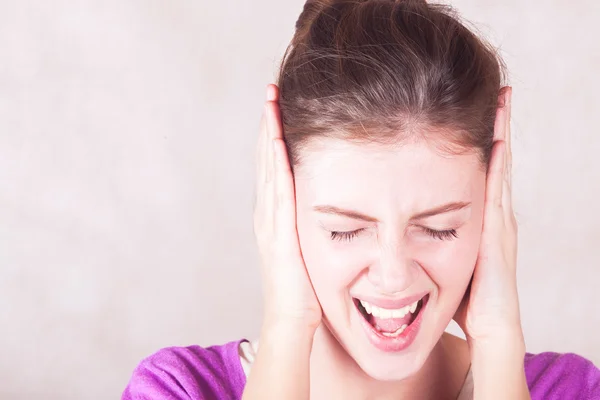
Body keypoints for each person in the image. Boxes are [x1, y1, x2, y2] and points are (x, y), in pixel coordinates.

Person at [122, 0, 600, 398]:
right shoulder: (178, 388)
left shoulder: (567, 389)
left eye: (440, 228)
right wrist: (287, 327)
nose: (394, 276)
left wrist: (497, 347)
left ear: (493, 208)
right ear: (280, 205)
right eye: (344, 229)